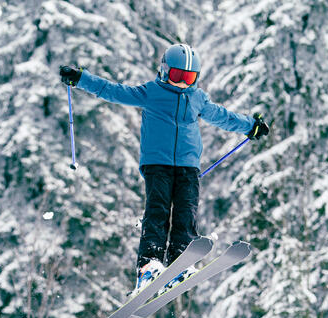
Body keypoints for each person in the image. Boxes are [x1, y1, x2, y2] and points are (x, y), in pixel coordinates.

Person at [60, 43, 269, 295]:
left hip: (188, 167)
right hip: (157, 164)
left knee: (186, 211)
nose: (182, 82)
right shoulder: (151, 92)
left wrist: (250, 126)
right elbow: (112, 91)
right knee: (157, 210)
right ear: (164, 70)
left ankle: (180, 259)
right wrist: (81, 79)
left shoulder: (198, 98)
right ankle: (149, 265)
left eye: (188, 77)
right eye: (177, 75)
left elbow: (222, 116)